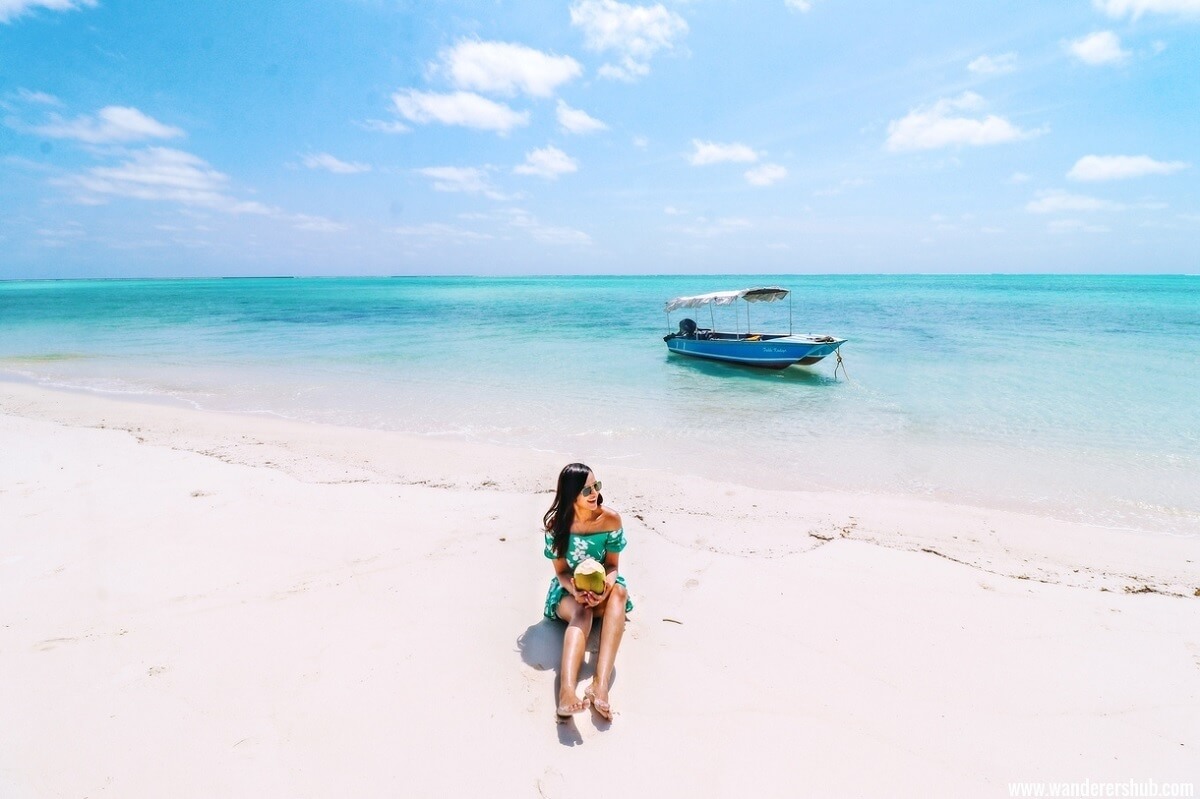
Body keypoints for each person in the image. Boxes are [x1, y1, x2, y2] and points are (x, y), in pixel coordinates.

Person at [542, 462, 633, 720]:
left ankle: (600, 686)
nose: (594, 493)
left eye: (596, 486)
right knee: (582, 610)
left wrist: (605, 589)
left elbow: (613, 566)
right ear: (571, 495)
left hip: (603, 589)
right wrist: (575, 590)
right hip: (568, 593)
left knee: (620, 592)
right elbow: (561, 572)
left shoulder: (611, 519)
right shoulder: (556, 526)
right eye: (586, 490)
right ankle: (566, 693)